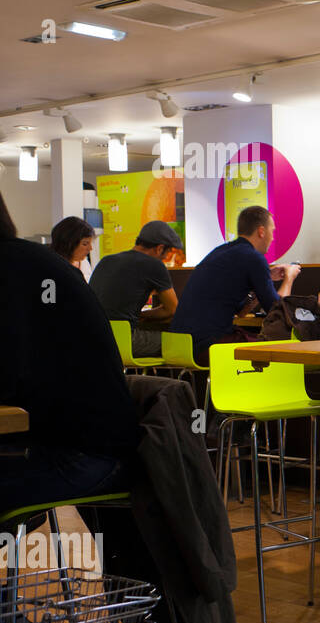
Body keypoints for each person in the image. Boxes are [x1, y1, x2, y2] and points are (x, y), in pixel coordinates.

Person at [0, 191, 138, 511]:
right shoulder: (30, 261)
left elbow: (10, 375)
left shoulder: (13, 269)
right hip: (70, 445)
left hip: (85, 457)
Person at [169, 206, 301, 365]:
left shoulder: (220, 252)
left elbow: (241, 312)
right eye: (272, 231)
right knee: (280, 348)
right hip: (208, 346)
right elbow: (278, 313)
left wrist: (262, 281)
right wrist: (289, 277)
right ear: (261, 231)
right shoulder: (254, 258)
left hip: (179, 345)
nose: (273, 238)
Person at [89, 220, 184, 357]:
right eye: (167, 253)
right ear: (159, 248)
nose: (165, 258)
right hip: (125, 340)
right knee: (177, 343)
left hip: (95, 337)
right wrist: (143, 316)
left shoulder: (106, 260)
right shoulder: (154, 265)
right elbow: (172, 310)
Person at [51, 215, 95, 280]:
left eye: (90, 243)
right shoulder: (51, 267)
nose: (90, 249)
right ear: (68, 244)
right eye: (85, 244)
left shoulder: (84, 263)